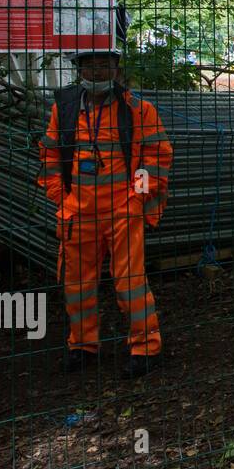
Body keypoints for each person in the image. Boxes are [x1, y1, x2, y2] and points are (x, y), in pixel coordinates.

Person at [38, 42, 173, 378]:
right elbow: (51, 153)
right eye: (90, 65)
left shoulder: (138, 109)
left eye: (104, 65)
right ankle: (82, 345)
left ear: (116, 69)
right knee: (77, 283)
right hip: (78, 212)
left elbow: (156, 157)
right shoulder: (65, 107)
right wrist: (60, 195)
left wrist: (137, 197)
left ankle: (145, 348)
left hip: (123, 210)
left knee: (130, 282)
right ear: (79, 69)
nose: (97, 72)